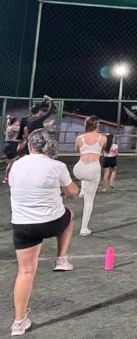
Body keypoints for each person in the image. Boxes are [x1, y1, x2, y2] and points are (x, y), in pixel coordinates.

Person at [9, 130, 79, 336]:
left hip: (23, 226)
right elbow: (73, 193)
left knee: (25, 272)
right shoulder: (57, 166)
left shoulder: (15, 165)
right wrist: (61, 191)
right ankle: (61, 259)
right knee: (69, 215)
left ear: (29, 146)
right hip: (51, 223)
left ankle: (19, 323)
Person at [72, 116, 108, 237]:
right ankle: (84, 229)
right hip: (92, 169)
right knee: (89, 200)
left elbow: (78, 151)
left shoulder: (79, 138)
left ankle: (82, 190)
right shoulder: (103, 138)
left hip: (78, 169)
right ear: (97, 125)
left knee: (85, 176)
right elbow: (102, 152)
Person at [3, 116, 21, 184]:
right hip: (11, 146)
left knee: (11, 163)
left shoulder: (10, 126)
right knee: (11, 164)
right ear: (14, 122)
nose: (18, 122)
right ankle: (6, 178)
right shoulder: (12, 127)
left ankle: (7, 177)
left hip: (11, 146)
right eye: (17, 121)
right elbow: (22, 129)